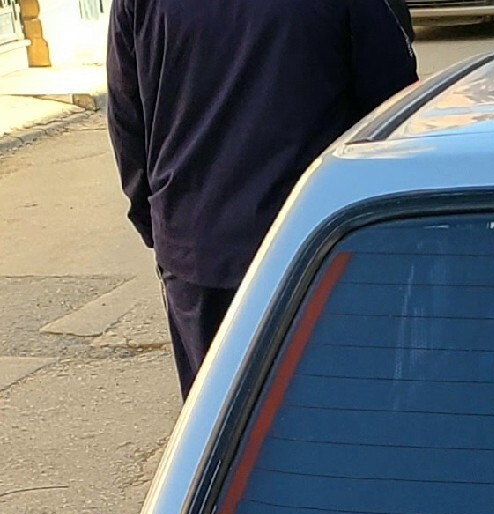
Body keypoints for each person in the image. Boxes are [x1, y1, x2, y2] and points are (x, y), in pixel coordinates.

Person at [106, 0, 419, 396]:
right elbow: (392, 114)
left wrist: (157, 222)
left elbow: (126, 116)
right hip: (316, 248)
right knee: (331, 412)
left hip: (199, 250)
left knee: (219, 424)